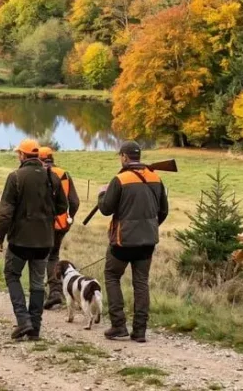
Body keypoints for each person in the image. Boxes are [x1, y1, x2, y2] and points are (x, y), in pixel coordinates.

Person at [0, 139, 68, 340]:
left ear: (22, 156)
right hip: (45, 241)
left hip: (20, 240)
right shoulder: (52, 177)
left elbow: (5, 213)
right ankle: (35, 328)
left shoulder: (16, 177)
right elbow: (63, 206)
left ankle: (23, 320)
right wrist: (46, 213)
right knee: (37, 283)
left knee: (11, 275)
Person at [97, 140, 169, 343]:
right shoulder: (156, 178)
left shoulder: (120, 179)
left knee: (111, 276)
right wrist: (150, 227)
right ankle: (140, 331)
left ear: (124, 157)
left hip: (122, 241)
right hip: (148, 242)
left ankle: (119, 326)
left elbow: (106, 209)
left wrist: (102, 193)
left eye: (120, 156)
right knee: (141, 283)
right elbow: (163, 210)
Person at [39, 146, 81, 310]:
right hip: (61, 224)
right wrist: (69, 218)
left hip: (41, 223)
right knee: (53, 256)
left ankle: (43, 292)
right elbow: (75, 202)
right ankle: (55, 292)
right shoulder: (64, 174)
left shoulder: (37, 173)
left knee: (40, 256)